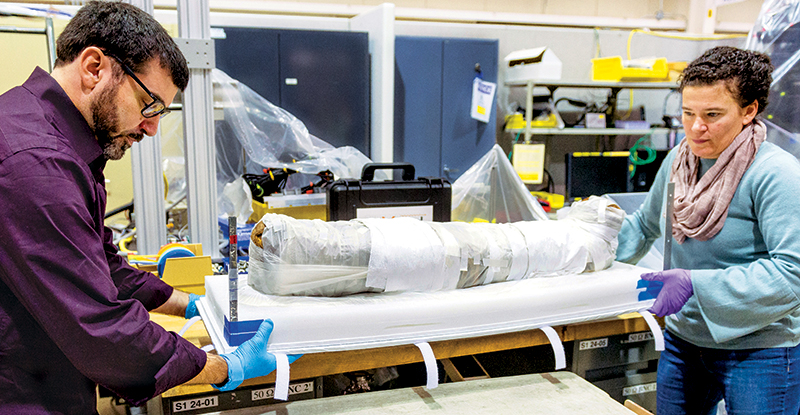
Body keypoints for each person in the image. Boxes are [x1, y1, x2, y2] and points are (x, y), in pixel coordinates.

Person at [0, 2, 297, 414]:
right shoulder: (36, 162)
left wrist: (191, 303)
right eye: (150, 103)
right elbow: (102, 333)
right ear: (93, 67)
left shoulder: (52, 142)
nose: (153, 126)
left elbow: (102, 265)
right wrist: (224, 367)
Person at [617, 45, 800, 414]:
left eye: (712, 115)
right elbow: (646, 225)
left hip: (759, 349)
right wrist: (589, 248)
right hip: (685, 341)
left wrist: (693, 284)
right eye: (687, 113)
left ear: (748, 111)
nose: (696, 128)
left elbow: (792, 274)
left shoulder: (776, 174)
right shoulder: (680, 160)